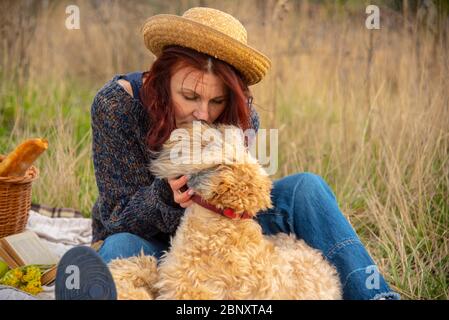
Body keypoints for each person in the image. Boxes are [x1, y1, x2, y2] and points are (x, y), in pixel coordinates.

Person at [55, 7, 400, 300]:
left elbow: (243, 202)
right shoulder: (117, 105)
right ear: (162, 78)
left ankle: (376, 294)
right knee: (116, 249)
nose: (203, 113)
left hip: (218, 236)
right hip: (151, 240)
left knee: (305, 189)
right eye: (189, 96)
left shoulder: (242, 116)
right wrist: (164, 196)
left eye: (216, 100)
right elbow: (115, 216)